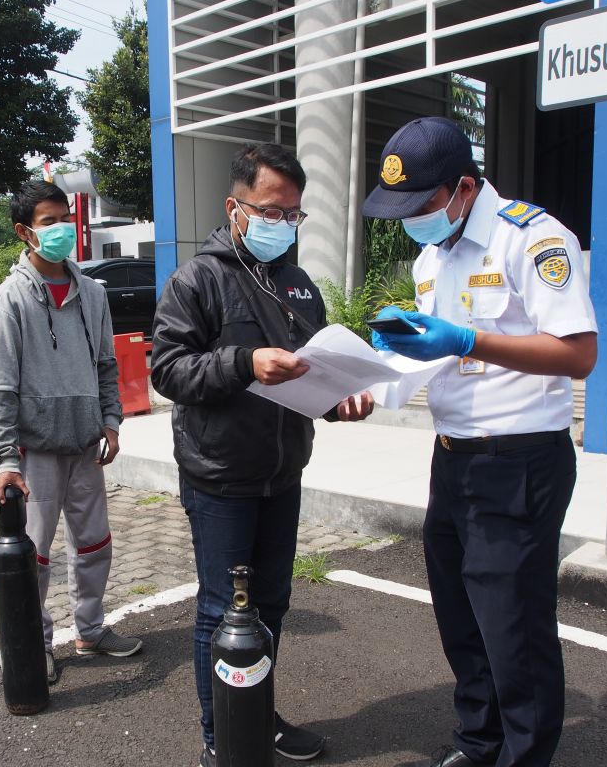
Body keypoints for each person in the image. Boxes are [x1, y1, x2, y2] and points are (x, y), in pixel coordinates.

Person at [362, 117, 597, 767]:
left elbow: (578, 354)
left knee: (514, 633)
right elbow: (433, 362)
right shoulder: (429, 258)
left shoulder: (532, 237)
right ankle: (479, 743)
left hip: (519, 461)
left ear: (464, 187)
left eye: (422, 205)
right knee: (463, 621)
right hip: (453, 462)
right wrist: (375, 377)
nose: (412, 220)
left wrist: (467, 339)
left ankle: (523, 758)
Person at [150, 143, 375, 767]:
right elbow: (167, 370)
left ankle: (259, 715)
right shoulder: (198, 279)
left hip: (283, 474)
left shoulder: (298, 286)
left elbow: (313, 376)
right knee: (223, 611)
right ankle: (221, 733)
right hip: (220, 477)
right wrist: (243, 362)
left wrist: (340, 402)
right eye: (272, 211)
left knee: (271, 604)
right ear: (236, 208)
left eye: (294, 214)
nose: (283, 224)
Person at [0, 180, 141, 686]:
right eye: (48, 221)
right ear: (24, 231)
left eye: (64, 218)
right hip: (33, 453)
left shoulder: (92, 292)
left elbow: (105, 364)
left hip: (84, 445)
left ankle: (90, 630)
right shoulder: (9, 300)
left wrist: (111, 422)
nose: (60, 229)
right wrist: (5, 460)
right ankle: (37, 642)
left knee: (94, 543)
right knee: (35, 555)